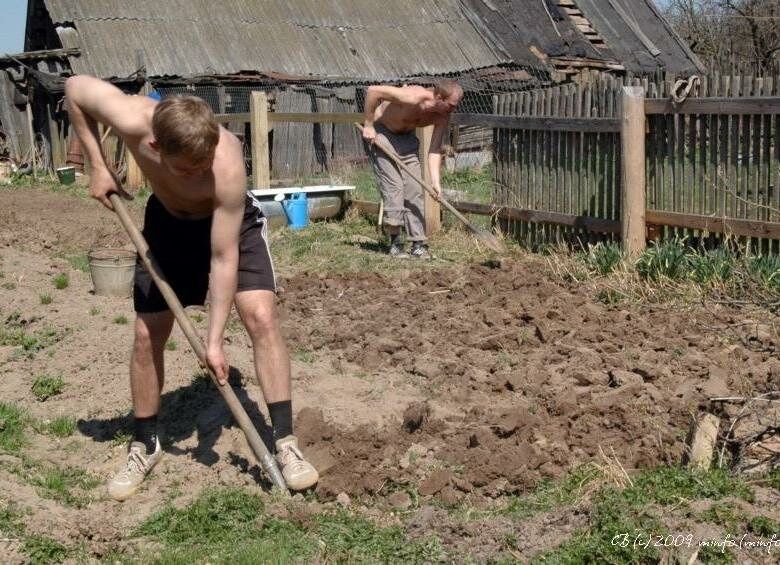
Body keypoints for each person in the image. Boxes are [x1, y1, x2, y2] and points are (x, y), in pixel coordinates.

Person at [65, 76, 318, 499]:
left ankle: (286, 443)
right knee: (147, 335)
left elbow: (223, 259)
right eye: (188, 168)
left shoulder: (227, 162)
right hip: (166, 223)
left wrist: (214, 341)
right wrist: (96, 164)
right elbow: (74, 88)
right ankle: (145, 444)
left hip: (231, 227)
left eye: (204, 163)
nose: (200, 172)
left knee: (260, 315)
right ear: (155, 148)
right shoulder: (131, 117)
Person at [362, 79, 463, 259]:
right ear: (438, 97)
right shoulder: (412, 95)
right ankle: (395, 242)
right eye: (450, 105)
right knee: (395, 188)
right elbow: (372, 91)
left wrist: (435, 181)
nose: (452, 110)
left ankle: (418, 244)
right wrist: (369, 125)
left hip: (407, 140)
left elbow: (434, 148)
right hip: (382, 134)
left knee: (415, 191)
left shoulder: (442, 116)